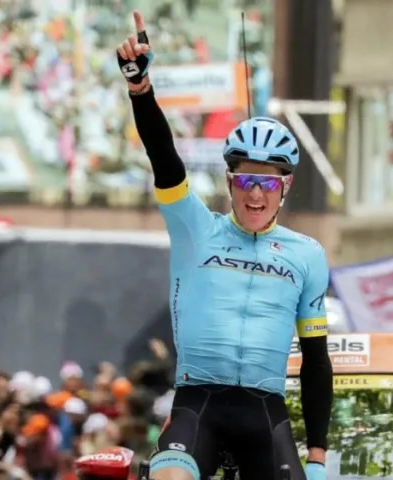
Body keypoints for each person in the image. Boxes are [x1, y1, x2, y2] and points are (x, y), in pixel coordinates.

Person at [115, 11, 332, 480]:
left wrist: (317, 456)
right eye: (246, 181)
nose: (256, 194)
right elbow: (165, 161)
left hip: (266, 416)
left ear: (286, 186)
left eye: (269, 184)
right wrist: (140, 89)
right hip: (198, 407)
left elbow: (316, 361)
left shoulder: (308, 254)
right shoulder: (197, 230)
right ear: (230, 182)